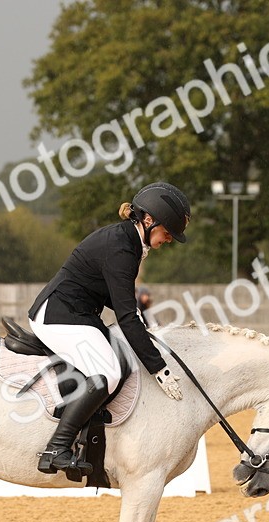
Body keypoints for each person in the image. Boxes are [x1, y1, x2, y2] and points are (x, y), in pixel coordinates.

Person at [27, 181, 189, 475]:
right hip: (58, 315)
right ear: (149, 220)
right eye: (167, 233)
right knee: (107, 373)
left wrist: (144, 328)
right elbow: (127, 316)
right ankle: (56, 448)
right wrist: (159, 368)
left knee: (122, 361)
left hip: (81, 314)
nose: (168, 240)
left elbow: (122, 303)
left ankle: (83, 416)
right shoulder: (121, 248)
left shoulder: (128, 242)